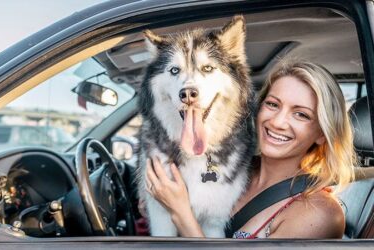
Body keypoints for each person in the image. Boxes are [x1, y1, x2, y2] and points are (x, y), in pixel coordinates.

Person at [144, 60, 357, 238]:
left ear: (321, 133)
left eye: (301, 114)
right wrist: (159, 204)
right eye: (273, 104)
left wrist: (179, 212)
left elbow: (182, 213)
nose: (278, 122)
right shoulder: (230, 170)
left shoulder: (320, 213)